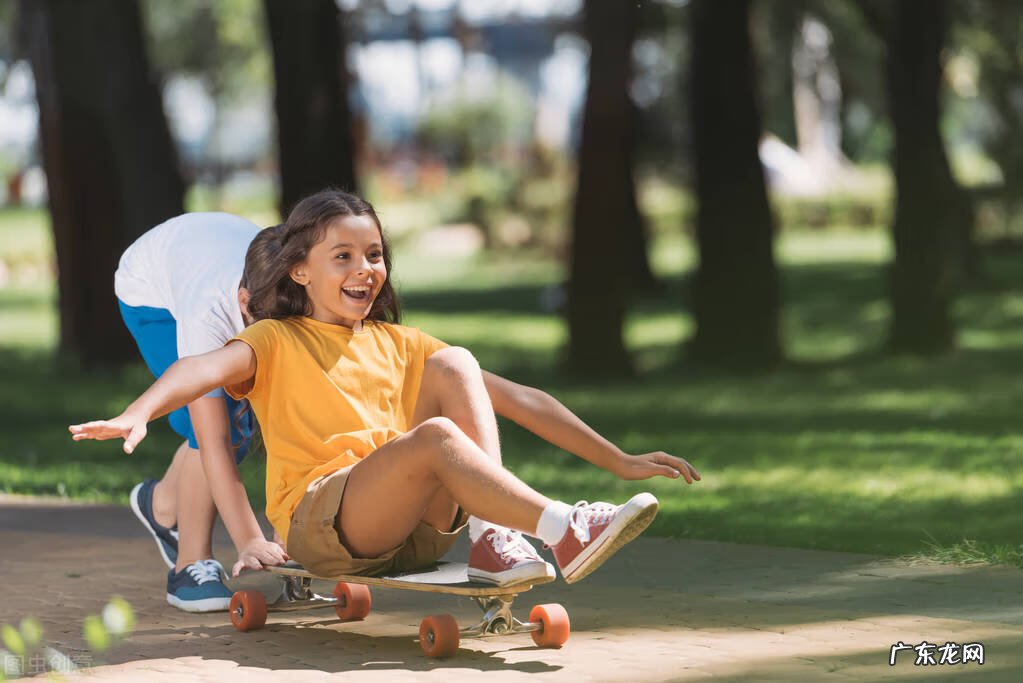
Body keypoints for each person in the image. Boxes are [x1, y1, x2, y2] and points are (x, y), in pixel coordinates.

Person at [71, 189, 700, 587]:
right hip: (323, 523)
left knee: (457, 364)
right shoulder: (271, 341)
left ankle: (491, 538)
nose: (364, 269)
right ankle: (562, 526)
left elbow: (519, 398)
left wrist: (616, 460)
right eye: (341, 257)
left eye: (373, 255)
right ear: (300, 272)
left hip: (403, 525)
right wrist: (140, 411)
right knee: (426, 439)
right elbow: (197, 376)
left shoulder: (396, 341)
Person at [110, 213, 287, 612]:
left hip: (201, 252)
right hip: (150, 292)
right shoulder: (208, 314)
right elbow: (214, 441)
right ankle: (189, 566)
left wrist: (289, 525)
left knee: (247, 415)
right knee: (217, 421)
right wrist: (250, 539)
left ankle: (162, 506)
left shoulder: (302, 301)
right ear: (245, 305)